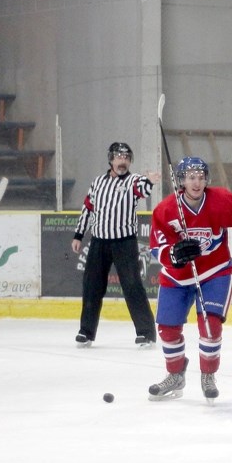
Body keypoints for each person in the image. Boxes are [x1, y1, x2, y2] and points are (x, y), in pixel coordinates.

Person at [147, 156, 232, 403]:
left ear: (207, 179)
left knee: (210, 324)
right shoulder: (166, 210)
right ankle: (175, 376)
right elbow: (156, 246)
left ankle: (208, 375)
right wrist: (173, 254)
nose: (196, 182)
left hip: (214, 272)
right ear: (181, 180)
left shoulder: (222, 200)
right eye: (191, 177)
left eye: (201, 177)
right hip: (177, 277)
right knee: (168, 329)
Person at [72, 142, 160, 348]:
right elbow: (88, 209)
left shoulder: (133, 181)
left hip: (124, 243)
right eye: (119, 156)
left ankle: (146, 333)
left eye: (127, 157)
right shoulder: (98, 182)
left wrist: (149, 180)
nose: (123, 160)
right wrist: (78, 235)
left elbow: (143, 189)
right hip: (98, 242)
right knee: (91, 286)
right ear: (111, 159)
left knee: (132, 286)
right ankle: (86, 332)